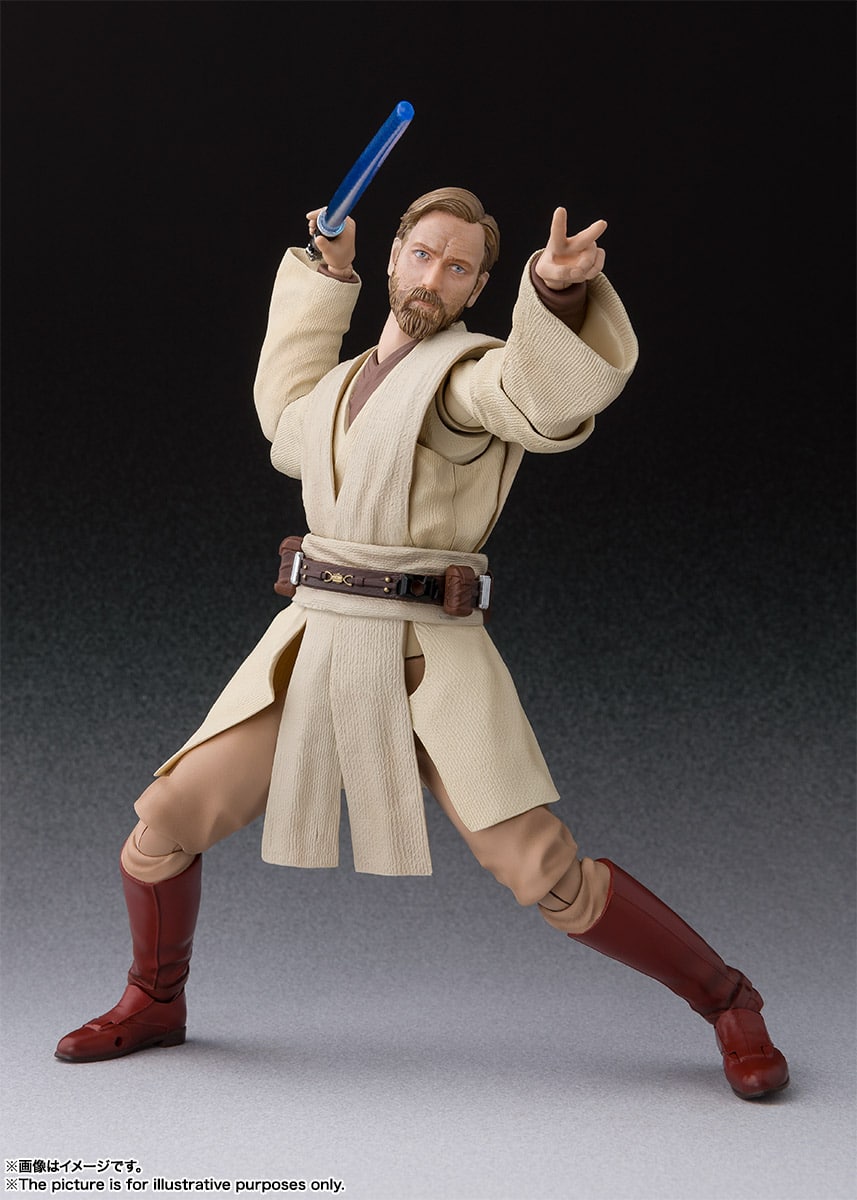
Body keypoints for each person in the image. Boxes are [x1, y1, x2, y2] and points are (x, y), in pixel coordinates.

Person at [55, 187, 788, 1100]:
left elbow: (534, 398)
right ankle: (154, 998)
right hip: (318, 640)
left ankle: (727, 999)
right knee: (162, 826)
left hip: (427, 655)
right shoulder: (340, 385)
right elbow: (285, 416)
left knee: (544, 870)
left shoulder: (466, 380)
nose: (434, 276)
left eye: (459, 265)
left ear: (479, 287)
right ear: (393, 258)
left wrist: (555, 295)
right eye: (421, 254)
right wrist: (326, 276)